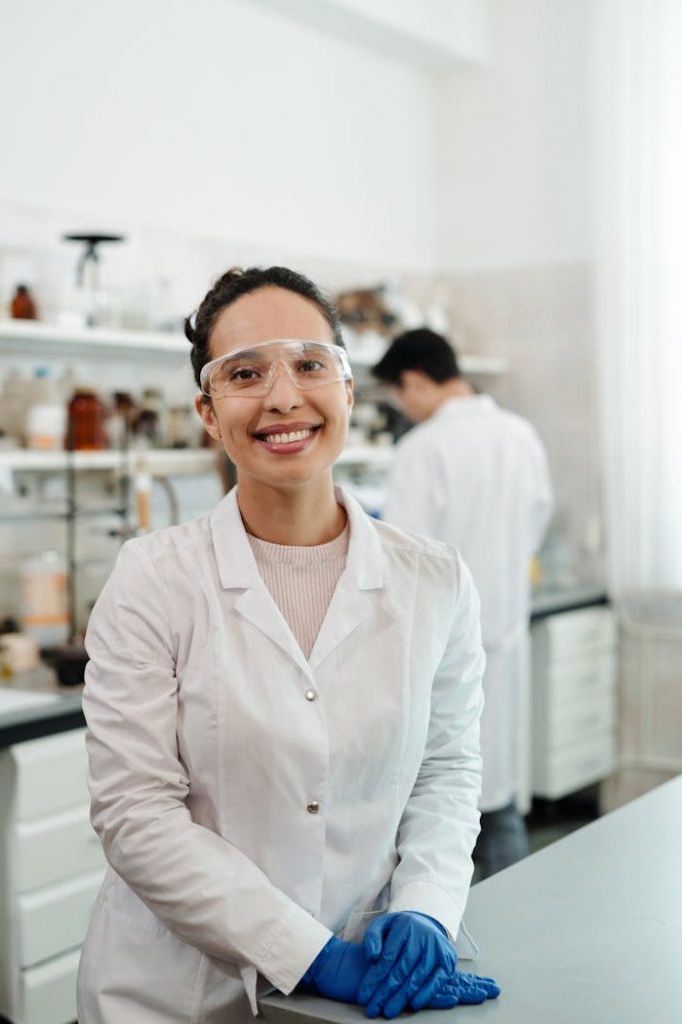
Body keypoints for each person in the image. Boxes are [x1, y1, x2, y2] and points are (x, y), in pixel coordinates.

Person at [76, 268, 500, 1023]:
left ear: (346, 389)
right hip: (176, 998)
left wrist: (428, 907)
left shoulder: (433, 580)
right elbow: (136, 813)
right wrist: (310, 954)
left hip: (368, 993)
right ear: (208, 413)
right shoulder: (152, 579)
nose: (281, 396)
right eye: (244, 373)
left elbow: (445, 769)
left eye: (309, 363)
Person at [372, 328, 554, 880]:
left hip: (439, 646)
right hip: (503, 627)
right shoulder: (519, 434)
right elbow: (538, 517)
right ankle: (517, 919)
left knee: (436, 811)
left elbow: (399, 557)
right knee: (494, 797)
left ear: (415, 380)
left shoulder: (422, 448)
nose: (402, 408)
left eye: (398, 396)